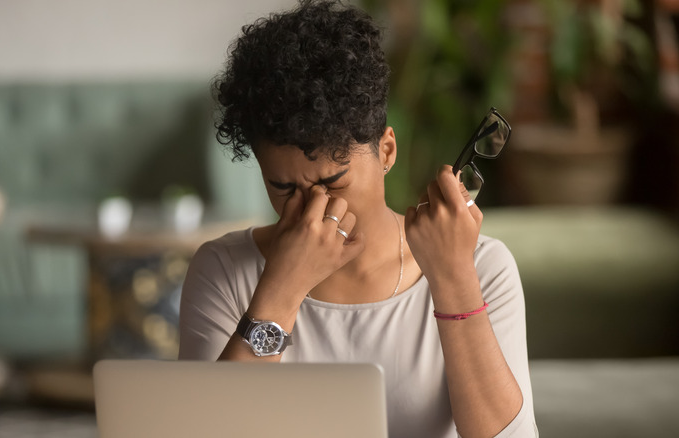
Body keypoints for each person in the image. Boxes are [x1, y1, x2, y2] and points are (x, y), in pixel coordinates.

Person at [178, 1, 537, 437]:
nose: (314, 208)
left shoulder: (483, 266)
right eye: (283, 188)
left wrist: (453, 279)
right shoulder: (223, 270)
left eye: (334, 180)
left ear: (386, 151)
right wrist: (283, 287)